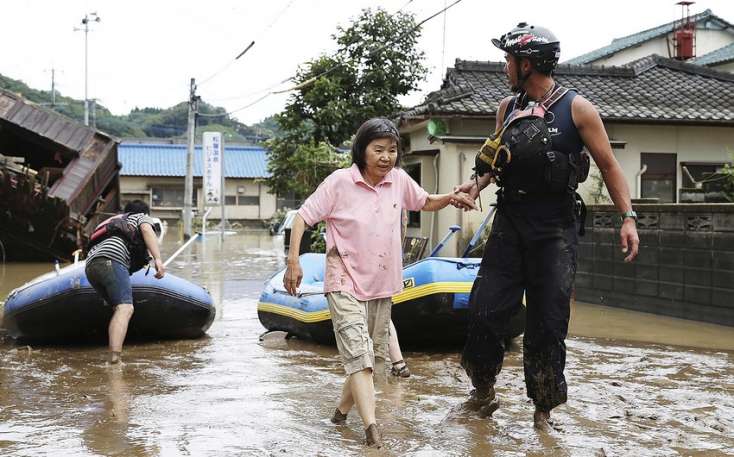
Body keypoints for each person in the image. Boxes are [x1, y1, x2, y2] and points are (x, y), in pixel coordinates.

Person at [452, 23, 640, 430]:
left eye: (509, 60)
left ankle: (543, 413)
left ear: (528, 64)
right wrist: (474, 184)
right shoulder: (506, 108)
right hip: (510, 223)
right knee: (484, 312)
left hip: (555, 229)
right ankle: (482, 393)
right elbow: (495, 160)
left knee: (548, 323)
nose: (505, 66)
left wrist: (628, 218)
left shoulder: (578, 110)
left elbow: (609, 166)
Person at [284, 117, 475, 448]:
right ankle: (372, 430)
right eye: (378, 150)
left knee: (368, 356)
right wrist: (293, 261)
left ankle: (340, 414)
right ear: (362, 150)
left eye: (392, 150)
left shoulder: (399, 180)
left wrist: (452, 197)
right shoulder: (340, 182)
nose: (386, 157)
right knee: (360, 354)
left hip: (381, 283)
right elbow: (303, 216)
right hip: (342, 276)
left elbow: (425, 201)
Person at [85, 200, 165, 364]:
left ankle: (114, 352)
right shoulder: (141, 217)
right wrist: (157, 258)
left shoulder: (113, 223)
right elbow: (145, 229)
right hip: (111, 259)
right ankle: (114, 359)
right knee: (125, 308)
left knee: (118, 308)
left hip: (91, 265)